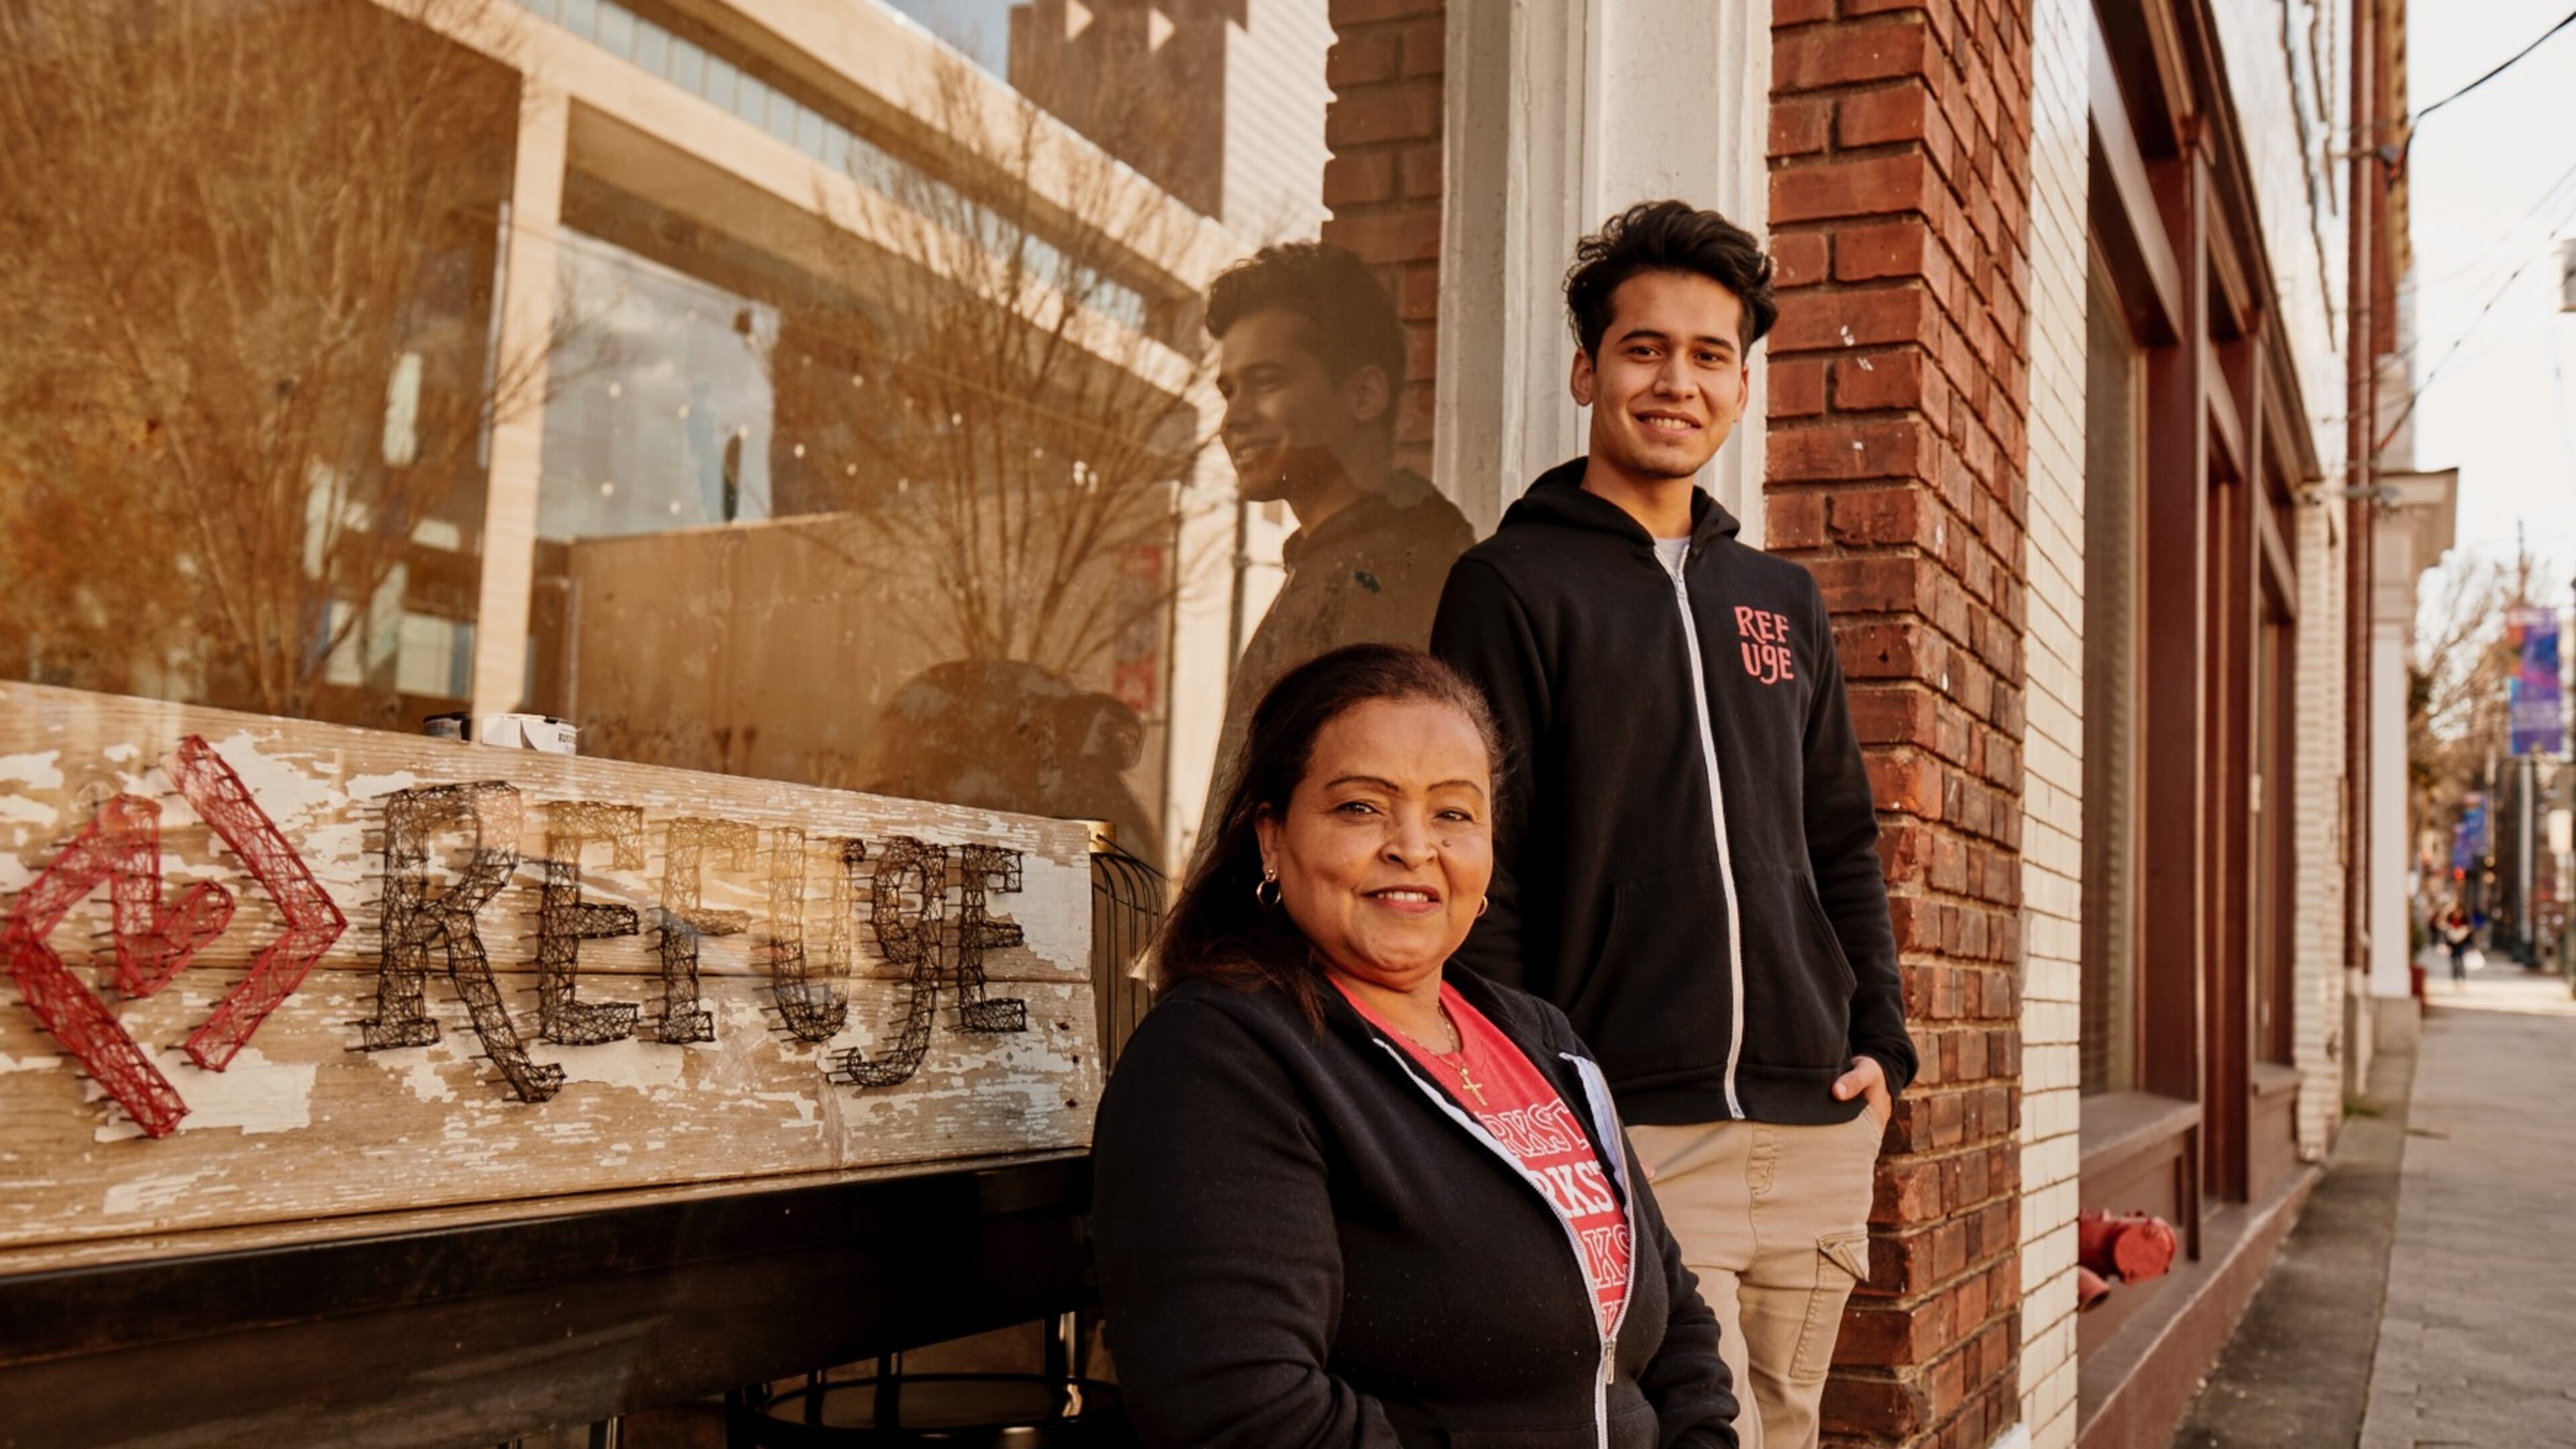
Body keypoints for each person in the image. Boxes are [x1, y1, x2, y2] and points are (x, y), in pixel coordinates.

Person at [1430, 200, 1916, 1449]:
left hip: (1814, 1121)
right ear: (1587, 371)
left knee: (1788, 1430)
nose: (1676, 382)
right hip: (1634, 1127)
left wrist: (1882, 1047)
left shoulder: (1782, 601)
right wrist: (1537, 1093)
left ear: (1742, 388)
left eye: (1709, 356)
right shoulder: (1510, 586)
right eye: (1643, 349)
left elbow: (1840, 839)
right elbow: (1484, 862)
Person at [1091, 644, 1737, 1448]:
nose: (1413, 846)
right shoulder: (1218, 1061)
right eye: (1361, 807)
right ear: (1272, 837)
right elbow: (1243, 1410)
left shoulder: (1542, 1038)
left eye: (1453, 814)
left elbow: (1677, 1325)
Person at [1193, 243, 1476, 861]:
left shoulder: (1403, 569)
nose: (1233, 420)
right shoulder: (1331, 558)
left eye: (1268, 382)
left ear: (1365, 395)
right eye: (1229, 391)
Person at [2441, 904, 2475, 983]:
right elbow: (2447, 933)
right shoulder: (2450, 922)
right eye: (2456, 912)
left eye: (2460, 912)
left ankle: (2462, 976)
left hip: (2462, 944)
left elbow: (2469, 934)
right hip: (2453, 944)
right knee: (2454, 960)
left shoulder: (2465, 922)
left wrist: (2468, 942)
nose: (2458, 914)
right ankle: (2455, 976)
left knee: (2461, 960)